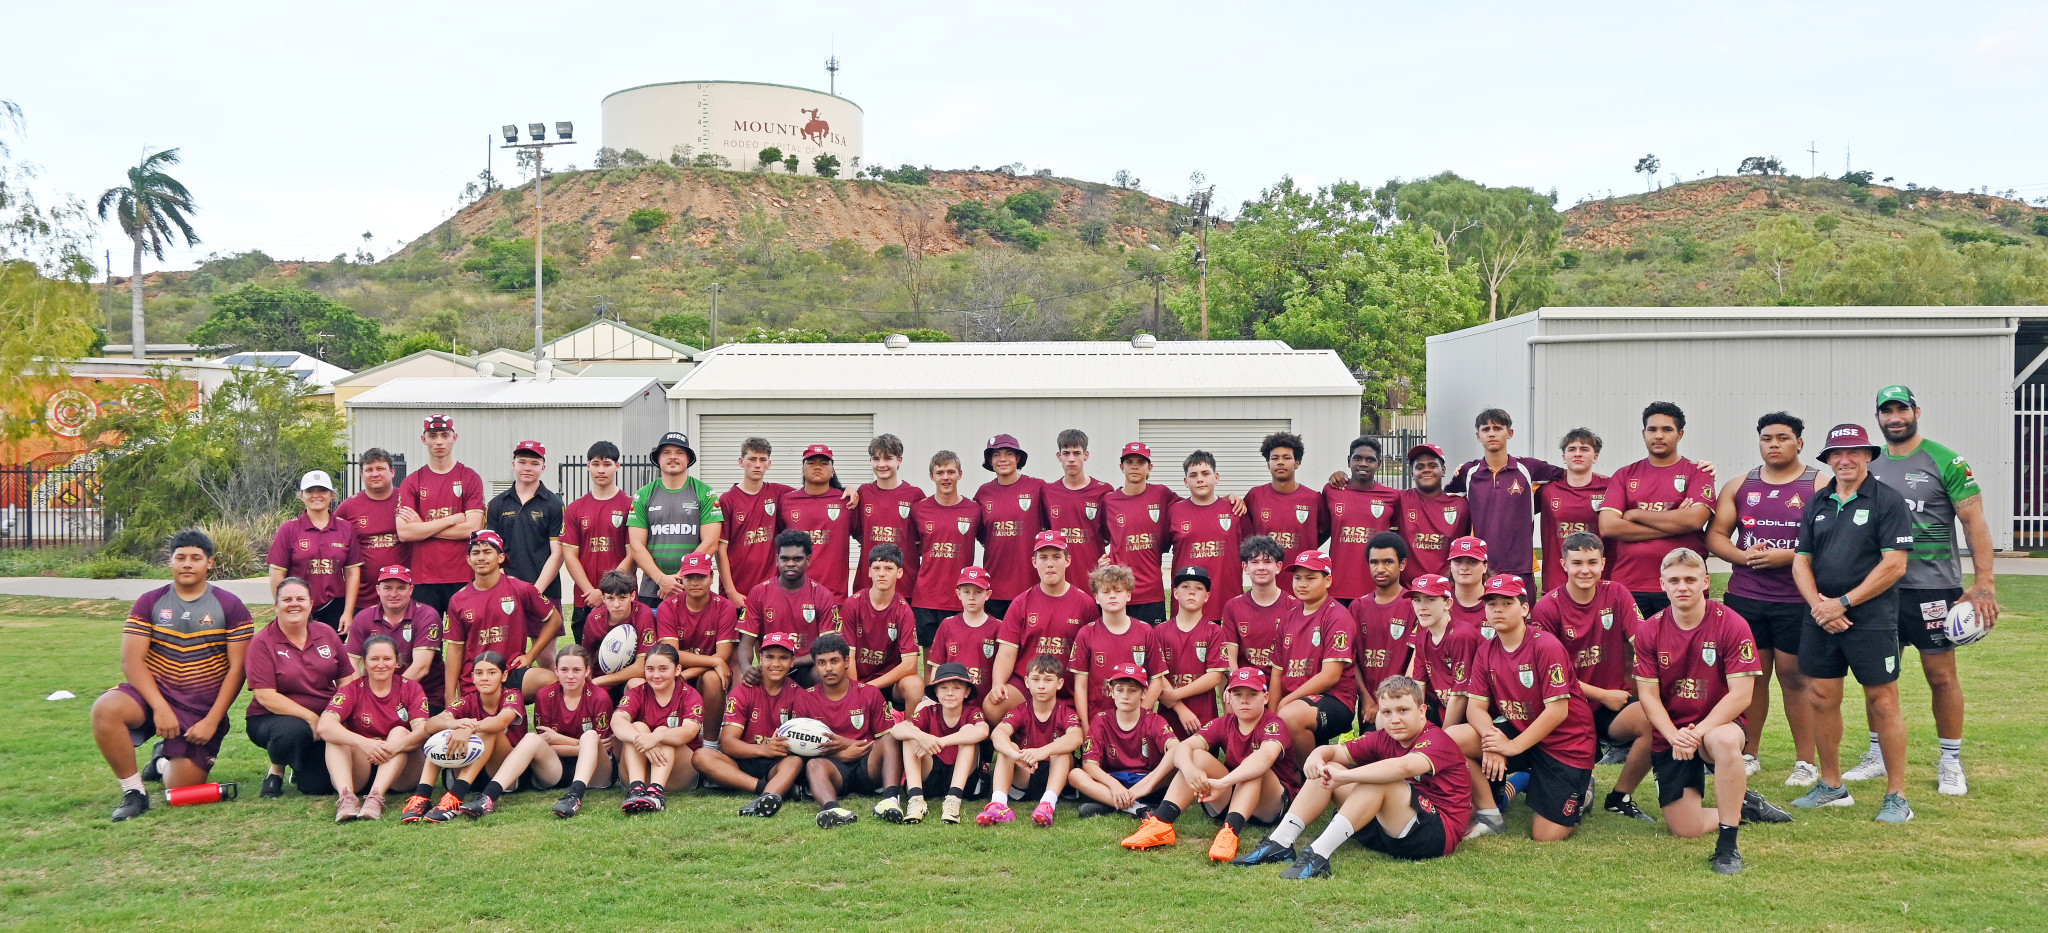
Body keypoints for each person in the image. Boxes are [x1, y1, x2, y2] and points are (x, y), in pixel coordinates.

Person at [1865, 384, 1999, 796]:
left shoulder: (1946, 460)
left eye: (1901, 409)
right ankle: (1876, 755)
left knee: (1940, 675)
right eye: (1886, 411)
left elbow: (1974, 524)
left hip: (1932, 587)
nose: (1895, 418)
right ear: (1878, 418)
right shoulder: (1868, 464)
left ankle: (1951, 760)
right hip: (1881, 588)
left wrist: (1984, 583)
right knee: (1878, 676)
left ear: (1916, 411)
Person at [1635, 548, 1794, 875]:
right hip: (1675, 733)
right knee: (1685, 828)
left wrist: (1698, 731)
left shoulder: (1732, 623)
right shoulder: (1649, 630)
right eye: (1675, 580)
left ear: (1706, 582)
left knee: (1723, 742)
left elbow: (1742, 695)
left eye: (1691, 579)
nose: (1683, 587)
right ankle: (1744, 806)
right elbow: (1648, 697)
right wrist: (1674, 735)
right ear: (1661, 584)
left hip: (1718, 725)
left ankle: (1728, 844)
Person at [1790, 424, 1916, 824]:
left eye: (1854, 452)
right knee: (1821, 698)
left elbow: (1895, 564)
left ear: (1868, 456)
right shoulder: (1818, 500)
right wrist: (1820, 607)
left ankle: (1897, 795)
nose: (1845, 460)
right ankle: (1832, 785)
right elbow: (1801, 560)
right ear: (1827, 459)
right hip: (1821, 616)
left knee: (1882, 702)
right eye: (1836, 453)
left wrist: (1843, 603)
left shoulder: (1887, 500)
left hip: (1872, 619)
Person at [1234, 675, 1474, 876]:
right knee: (1328, 768)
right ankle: (1281, 843)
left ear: (1422, 711)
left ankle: (1318, 854)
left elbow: (1404, 768)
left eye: (1403, 710)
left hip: (1435, 834)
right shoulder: (1384, 736)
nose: (1395, 719)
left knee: (1382, 779)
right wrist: (1316, 756)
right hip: (1390, 826)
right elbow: (1334, 751)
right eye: (1387, 712)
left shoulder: (1437, 739)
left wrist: (1347, 778)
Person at [94, 530, 255, 821]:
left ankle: (161, 762)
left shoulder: (230, 606)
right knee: (106, 708)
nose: (187, 564)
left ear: (210, 563)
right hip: (154, 696)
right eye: (180, 557)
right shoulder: (150, 602)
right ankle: (134, 793)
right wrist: (160, 708)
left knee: (180, 787)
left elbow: (238, 669)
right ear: (170, 562)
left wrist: (212, 720)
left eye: (196, 558)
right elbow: (131, 661)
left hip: (199, 708)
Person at [1708, 413, 1824, 784]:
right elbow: (1716, 536)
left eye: (1783, 438)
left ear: (1799, 443)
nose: (1774, 444)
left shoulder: (1819, 484)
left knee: (1795, 679)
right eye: (1767, 438)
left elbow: (1832, 540)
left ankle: (1805, 761)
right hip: (1747, 598)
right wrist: (1743, 557)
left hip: (1796, 600)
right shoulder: (1740, 485)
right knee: (1751, 680)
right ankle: (1749, 753)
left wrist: (1787, 557)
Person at [1462, 574, 1597, 842]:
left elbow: (1558, 711)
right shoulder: (1486, 650)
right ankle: (1490, 812)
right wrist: (1493, 742)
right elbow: (1474, 708)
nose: (1497, 609)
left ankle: (1585, 790)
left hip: (1566, 744)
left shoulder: (1545, 645)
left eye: (1506, 602)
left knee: (1546, 836)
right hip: (1520, 731)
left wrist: (1512, 747)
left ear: (1524, 609)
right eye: (1491, 603)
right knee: (1454, 739)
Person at [1532, 532, 1655, 822]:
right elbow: (1549, 677)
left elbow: (1643, 641)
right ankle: (1551, 782)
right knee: (1570, 810)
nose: (1584, 570)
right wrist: (1601, 694)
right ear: (1563, 564)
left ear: (1603, 563)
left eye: (1591, 562)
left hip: (1611, 707)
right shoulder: (1547, 607)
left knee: (1655, 720)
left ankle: (1620, 796)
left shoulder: (1617, 593)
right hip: (1567, 708)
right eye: (1577, 563)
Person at [1120, 667, 1291, 860]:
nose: (1244, 700)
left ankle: (1230, 832)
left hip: (1268, 805)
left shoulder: (1274, 724)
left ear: (1266, 697)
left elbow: (1265, 758)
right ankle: (1162, 823)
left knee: (1255, 767)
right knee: (1195, 756)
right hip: (1229, 796)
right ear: (1228, 696)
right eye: (1238, 694)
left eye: (1252, 694)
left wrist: (1222, 783)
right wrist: (1189, 769)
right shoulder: (1224, 722)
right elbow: (1183, 748)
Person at [1600, 402, 1717, 618]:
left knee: (1683, 648)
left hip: (1683, 584)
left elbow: (1694, 520)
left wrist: (1635, 514)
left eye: (1667, 429)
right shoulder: (1625, 474)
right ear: (1643, 433)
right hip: (1630, 583)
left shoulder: (1698, 472)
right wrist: (1675, 522)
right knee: (1629, 649)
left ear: (1680, 434)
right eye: (1652, 429)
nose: (1659, 435)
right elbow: (1608, 526)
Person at [245, 577, 352, 798]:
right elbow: (265, 696)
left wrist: (336, 713)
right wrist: (312, 718)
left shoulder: (326, 633)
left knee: (318, 786)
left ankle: (300, 766)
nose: (294, 604)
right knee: (292, 731)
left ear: (311, 604)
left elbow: (346, 678)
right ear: (276, 606)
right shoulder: (262, 642)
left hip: (325, 714)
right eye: (287, 599)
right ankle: (277, 769)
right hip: (272, 717)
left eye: (301, 599)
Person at [1447, 409, 1566, 592]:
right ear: (1478, 436)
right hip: (1482, 565)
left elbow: (1571, 475)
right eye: (1486, 429)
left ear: (1510, 433)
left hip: (1520, 565)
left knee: (1523, 619)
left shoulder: (1529, 467)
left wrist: (1610, 483)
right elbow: (1443, 500)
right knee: (1484, 619)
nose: (1492, 433)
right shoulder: (1468, 472)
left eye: (1498, 428)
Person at [987, 531, 1099, 721]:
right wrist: (998, 684)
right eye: (1043, 557)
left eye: (1056, 557)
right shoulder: (1021, 602)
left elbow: (1092, 657)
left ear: (1068, 560)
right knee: (992, 707)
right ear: (1034, 562)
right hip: (1029, 682)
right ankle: (1018, 733)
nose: (1050, 563)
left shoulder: (1085, 604)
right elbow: (1006, 652)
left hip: (1066, 685)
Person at [317, 634, 429, 822]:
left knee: (400, 732)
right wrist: (365, 743)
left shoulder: (411, 688)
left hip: (401, 772)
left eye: (387, 659)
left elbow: (422, 731)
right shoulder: (352, 689)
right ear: (364, 663)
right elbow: (324, 726)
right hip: (364, 768)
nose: (381, 664)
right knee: (334, 735)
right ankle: (347, 798)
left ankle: (375, 798)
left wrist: (393, 747)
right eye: (374, 659)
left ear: (397, 662)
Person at [405, 651, 526, 823]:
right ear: (472, 677)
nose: (484, 678)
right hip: (467, 767)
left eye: (492, 672)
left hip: (500, 772)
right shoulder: (467, 700)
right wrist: (454, 724)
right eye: (479, 673)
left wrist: (470, 728)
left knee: (490, 730)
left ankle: (455, 797)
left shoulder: (512, 695)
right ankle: (422, 796)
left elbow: (501, 722)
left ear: (504, 675)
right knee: (441, 734)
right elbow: (430, 724)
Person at [442, 530, 559, 707]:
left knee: (551, 682)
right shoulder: (458, 600)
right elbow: (455, 651)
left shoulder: (520, 588)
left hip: (511, 673)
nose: (481, 557)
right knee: (482, 732)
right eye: (475, 553)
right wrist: (450, 695)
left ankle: (544, 732)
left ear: (501, 557)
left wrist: (530, 655)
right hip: (477, 679)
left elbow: (555, 619)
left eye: (487, 552)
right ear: (468, 560)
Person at [798, 633, 904, 828]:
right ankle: (832, 809)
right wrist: (841, 752)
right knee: (813, 765)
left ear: (847, 661)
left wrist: (848, 744)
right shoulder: (805, 698)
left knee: (891, 739)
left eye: (834, 661)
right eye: (821, 663)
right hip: (833, 767)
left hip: (867, 763)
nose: (828, 668)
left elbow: (886, 739)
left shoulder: (869, 693)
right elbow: (801, 746)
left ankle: (890, 800)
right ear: (815, 665)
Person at [698, 633, 806, 817]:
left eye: (783, 658)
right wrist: (764, 749)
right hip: (742, 761)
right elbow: (728, 743)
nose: (776, 664)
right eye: (770, 657)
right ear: (760, 658)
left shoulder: (799, 694)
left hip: (777, 763)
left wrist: (775, 751)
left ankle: (768, 794)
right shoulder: (743, 690)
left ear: (792, 661)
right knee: (702, 756)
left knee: (794, 762)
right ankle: (767, 791)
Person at [1269, 549, 1360, 764]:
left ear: (1327, 580)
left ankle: (1308, 779)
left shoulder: (1337, 616)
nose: (1302, 583)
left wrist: (1286, 703)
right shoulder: (1288, 618)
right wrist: (1271, 716)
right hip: (1296, 701)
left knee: (1290, 716)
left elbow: (1330, 676)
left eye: (1311, 578)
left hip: (1334, 699)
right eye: (1298, 578)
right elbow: (1276, 673)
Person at [511, 645, 617, 819]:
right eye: (564, 669)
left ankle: (575, 796)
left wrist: (560, 738)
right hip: (556, 766)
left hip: (596, 773)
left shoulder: (600, 697)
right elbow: (545, 743)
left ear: (587, 671)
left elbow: (602, 749)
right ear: (556, 670)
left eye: (576, 670)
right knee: (534, 739)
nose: (570, 676)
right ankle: (490, 794)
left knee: (589, 736)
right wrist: (582, 746)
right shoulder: (545, 695)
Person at [395, 413, 485, 614]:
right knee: (427, 643)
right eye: (433, 435)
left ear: (455, 437)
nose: (439, 441)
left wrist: (423, 526)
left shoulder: (470, 477)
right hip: (424, 578)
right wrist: (453, 518)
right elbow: (405, 533)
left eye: (445, 435)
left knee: (463, 642)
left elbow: (472, 528)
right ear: (423, 439)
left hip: (463, 574)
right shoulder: (412, 481)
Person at [486, 440, 564, 668]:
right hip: (505, 591)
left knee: (547, 658)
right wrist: (505, 586)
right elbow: (492, 552)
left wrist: (533, 591)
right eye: (522, 462)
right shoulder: (497, 504)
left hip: (544, 590)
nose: (527, 467)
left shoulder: (554, 504)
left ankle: (549, 703)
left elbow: (557, 554)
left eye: (534, 462)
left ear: (543, 467)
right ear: (513, 464)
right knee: (502, 656)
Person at [980, 654, 1083, 827]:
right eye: (1036, 679)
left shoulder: (1066, 712)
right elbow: (997, 734)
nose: (1041, 686)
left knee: (1062, 752)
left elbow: (1076, 736)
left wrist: (1042, 751)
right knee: (1008, 747)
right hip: (1026, 772)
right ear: (1027, 682)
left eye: (1048, 680)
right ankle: (999, 804)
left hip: (1056, 774)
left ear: (1059, 684)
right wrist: (1015, 754)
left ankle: (1047, 804)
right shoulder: (1021, 710)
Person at [735, 530, 844, 688]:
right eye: (785, 558)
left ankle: (818, 712)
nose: (790, 563)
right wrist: (746, 667)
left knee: (823, 673)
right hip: (771, 667)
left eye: (797, 559)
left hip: (805, 666)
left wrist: (788, 663)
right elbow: (746, 642)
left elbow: (827, 648)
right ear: (777, 560)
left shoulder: (823, 595)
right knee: (745, 683)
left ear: (808, 560)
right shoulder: (759, 593)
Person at [628, 430, 725, 608]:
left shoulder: (705, 492)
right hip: (653, 589)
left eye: (679, 452)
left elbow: (711, 543)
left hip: (694, 586)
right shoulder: (642, 495)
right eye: (666, 452)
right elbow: (636, 546)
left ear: (688, 459)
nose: (673, 457)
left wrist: (680, 578)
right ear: (658, 459)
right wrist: (661, 579)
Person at [1073, 663, 1181, 821]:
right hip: (1114, 781)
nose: (1125, 695)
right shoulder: (1101, 719)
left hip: (1149, 783)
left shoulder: (1154, 720)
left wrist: (1147, 785)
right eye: (1120, 689)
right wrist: (1114, 785)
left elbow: (1175, 748)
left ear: (1144, 693)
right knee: (1075, 775)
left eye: (1132, 690)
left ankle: (1109, 804)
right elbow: (1089, 764)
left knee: (1176, 767)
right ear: (1111, 692)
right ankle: (1138, 808)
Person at [890, 661, 991, 824]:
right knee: (910, 735)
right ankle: (916, 799)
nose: (950, 693)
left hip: (964, 780)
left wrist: (940, 741)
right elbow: (896, 730)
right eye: (944, 688)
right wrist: (921, 737)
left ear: (967, 692)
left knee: (968, 732)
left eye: (957, 688)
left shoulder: (972, 712)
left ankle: (953, 800)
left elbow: (982, 731)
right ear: (936, 692)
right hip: (932, 775)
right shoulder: (929, 711)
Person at [611, 643, 704, 814]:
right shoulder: (639, 692)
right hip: (637, 769)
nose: (655, 675)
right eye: (650, 669)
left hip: (678, 773)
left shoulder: (689, 695)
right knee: (637, 728)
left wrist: (657, 738)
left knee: (663, 731)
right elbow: (617, 721)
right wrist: (639, 738)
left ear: (677, 670)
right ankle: (636, 790)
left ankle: (656, 793)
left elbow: (690, 731)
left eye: (663, 669)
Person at [1068, 564, 1164, 727]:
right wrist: (1086, 728)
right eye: (1106, 592)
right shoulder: (1086, 634)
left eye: (1118, 591)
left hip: (1137, 725)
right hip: (1097, 724)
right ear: (1097, 597)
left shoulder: (1146, 631)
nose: (1112, 596)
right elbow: (1081, 686)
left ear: (1128, 595)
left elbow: (1157, 681)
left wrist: (1138, 716)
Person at [268, 470, 363, 629]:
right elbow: (277, 574)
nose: (316, 495)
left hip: (335, 608)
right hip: (298, 605)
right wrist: (282, 608)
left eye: (323, 490)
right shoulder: (289, 529)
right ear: (302, 495)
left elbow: (352, 573)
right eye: (310, 491)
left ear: (332, 495)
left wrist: (348, 612)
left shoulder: (345, 528)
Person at [561, 441, 635, 645]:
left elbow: (633, 553)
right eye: (595, 464)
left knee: (622, 659)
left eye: (607, 464)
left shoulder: (630, 505)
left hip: (621, 598)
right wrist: (592, 593)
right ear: (588, 466)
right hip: (585, 599)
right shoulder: (575, 508)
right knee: (586, 661)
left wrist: (607, 592)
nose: (601, 470)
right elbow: (570, 555)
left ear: (617, 466)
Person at [1101, 441, 1182, 626]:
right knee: (1119, 648)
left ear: (1150, 467)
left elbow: (1193, 505)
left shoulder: (1161, 493)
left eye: (1141, 461)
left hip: (1151, 592)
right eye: (1129, 462)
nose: (1135, 466)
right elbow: (1107, 536)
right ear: (1121, 467)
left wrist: (1225, 499)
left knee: (1151, 649)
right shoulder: (1109, 500)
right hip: (1118, 589)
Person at [908, 450, 982, 647]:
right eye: (940, 472)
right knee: (930, 656)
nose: (945, 477)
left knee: (959, 655)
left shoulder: (974, 509)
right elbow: (913, 548)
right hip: (926, 598)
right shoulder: (919, 510)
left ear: (960, 474)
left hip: (960, 597)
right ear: (932, 476)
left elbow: (986, 540)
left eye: (951, 471)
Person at [346, 565, 443, 711]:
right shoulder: (363, 617)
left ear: (411, 590)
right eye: (388, 588)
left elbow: (421, 668)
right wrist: (362, 696)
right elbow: (351, 662)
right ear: (378, 590)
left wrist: (390, 698)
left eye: (401, 588)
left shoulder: (427, 615)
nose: (394, 594)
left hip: (426, 696)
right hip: (375, 696)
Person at [974, 433, 1050, 619]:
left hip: (1031, 584)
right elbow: (982, 535)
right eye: (996, 454)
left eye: (1008, 453)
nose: (1002, 459)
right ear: (990, 461)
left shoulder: (1038, 487)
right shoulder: (984, 493)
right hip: (995, 587)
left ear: (1018, 458)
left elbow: (1053, 526)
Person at [839, 544, 924, 710]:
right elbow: (848, 655)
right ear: (869, 572)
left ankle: (907, 734)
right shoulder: (852, 604)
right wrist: (858, 690)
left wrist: (870, 687)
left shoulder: (903, 610)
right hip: (855, 680)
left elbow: (910, 665)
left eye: (888, 568)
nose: (882, 573)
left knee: (915, 685)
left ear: (899, 573)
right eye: (876, 568)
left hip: (888, 682)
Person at [1150, 566, 1229, 740]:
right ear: (1176, 593)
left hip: (1203, 718)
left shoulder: (1215, 632)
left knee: (1199, 762)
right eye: (1185, 587)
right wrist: (1180, 708)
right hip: (1168, 716)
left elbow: (1214, 677)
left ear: (1207, 596)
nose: (1191, 592)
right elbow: (1157, 675)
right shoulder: (1159, 632)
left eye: (1198, 588)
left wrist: (1175, 695)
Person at [652, 556, 736, 717]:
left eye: (701, 577)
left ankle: (710, 741)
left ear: (712, 577)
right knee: (663, 675)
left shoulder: (725, 606)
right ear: (681, 578)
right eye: (689, 577)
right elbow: (671, 654)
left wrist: (689, 673)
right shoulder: (668, 606)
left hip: (704, 672)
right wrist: (714, 661)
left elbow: (723, 655)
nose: (695, 582)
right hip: (676, 669)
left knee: (713, 679)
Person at [1351, 533, 1420, 729]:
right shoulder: (1357, 607)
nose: (1380, 569)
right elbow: (1351, 659)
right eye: (1374, 562)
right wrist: (1366, 699)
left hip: (1403, 706)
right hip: (1369, 707)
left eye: (1388, 562)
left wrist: (1394, 704)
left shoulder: (1413, 605)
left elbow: (1418, 660)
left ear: (1402, 564)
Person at [1324, 436, 1403, 604]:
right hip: (1339, 586)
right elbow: (1321, 528)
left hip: (1377, 587)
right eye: (1358, 458)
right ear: (1349, 461)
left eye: (1370, 460)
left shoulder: (1392, 497)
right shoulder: (1332, 491)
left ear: (1379, 464)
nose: (1363, 463)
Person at [717, 437, 795, 608]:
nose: (757, 464)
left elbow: (814, 492)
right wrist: (731, 592)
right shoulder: (727, 500)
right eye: (752, 459)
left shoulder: (779, 492)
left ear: (769, 463)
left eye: (762, 460)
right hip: (737, 594)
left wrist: (845, 489)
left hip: (771, 593)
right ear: (741, 462)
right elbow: (720, 550)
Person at [1167, 451, 1243, 619]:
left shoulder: (1235, 510)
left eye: (1205, 473)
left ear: (1216, 477)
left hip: (1226, 601)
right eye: (1193, 475)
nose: (1200, 479)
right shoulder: (1174, 511)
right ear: (1186, 482)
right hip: (1188, 603)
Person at [1537, 428, 1611, 593]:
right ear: (1564, 458)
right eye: (1572, 449)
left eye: (1584, 449)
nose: (1578, 454)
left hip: (1597, 579)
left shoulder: (1611, 488)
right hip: (1556, 581)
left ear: (1595, 457)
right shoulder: (1547, 491)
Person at [854, 433, 926, 600]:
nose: (881, 464)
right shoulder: (863, 493)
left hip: (905, 585)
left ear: (899, 460)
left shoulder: (915, 495)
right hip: (868, 584)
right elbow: (858, 532)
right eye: (876, 459)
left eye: (888, 458)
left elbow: (923, 540)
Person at [780, 444, 858, 596]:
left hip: (834, 595)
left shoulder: (846, 501)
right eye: (811, 463)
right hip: (793, 592)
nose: (817, 467)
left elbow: (864, 537)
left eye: (824, 463)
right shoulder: (786, 500)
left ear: (832, 471)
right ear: (803, 470)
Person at [335, 448, 407, 613]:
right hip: (363, 598)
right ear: (361, 474)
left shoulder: (406, 499)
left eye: (380, 468)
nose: (375, 474)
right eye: (369, 470)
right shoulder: (348, 507)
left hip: (402, 595)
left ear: (392, 472)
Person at [1045, 429, 1113, 592]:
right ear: (1059, 456)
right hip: (1059, 580)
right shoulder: (1048, 492)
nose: (1071, 459)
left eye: (1076, 453)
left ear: (1086, 455)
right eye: (1066, 453)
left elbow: (1111, 535)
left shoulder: (1103, 491)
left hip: (1093, 579)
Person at [1409, 574, 1479, 729]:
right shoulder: (1423, 637)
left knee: (1446, 740)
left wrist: (1443, 737)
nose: (1422, 606)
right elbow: (1418, 687)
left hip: (1472, 716)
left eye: (1430, 599)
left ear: (1447, 603)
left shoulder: (1461, 636)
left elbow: (1460, 695)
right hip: (1443, 707)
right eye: (1417, 599)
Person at [1222, 536, 1298, 674]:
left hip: (1282, 682)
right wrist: (1236, 684)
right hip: (1246, 684)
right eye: (1255, 562)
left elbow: (1295, 657)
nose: (1261, 567)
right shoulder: (1233, 606)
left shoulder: (1295, 606)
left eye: (1268, 562)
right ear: (1245, 567)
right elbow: (1229, 658)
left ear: (1278, 567)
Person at [1245, 431, 1324, 564]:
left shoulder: (1313, 498)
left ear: (1297, 463)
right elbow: (1242, 529)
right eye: (1275, 458)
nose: (1280, 462)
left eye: (1286, 458)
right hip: (1266, 576)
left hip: (1301, 576)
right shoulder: (1255, 495)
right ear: (1268, 464)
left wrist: (1308, 543)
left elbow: (1326, 529)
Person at [1396, 444, 1470, 584]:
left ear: (1443, 470)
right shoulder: (1399, 499)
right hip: (1410, 591)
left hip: (1447, 591)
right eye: (1420, 467)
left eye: (1432, 465)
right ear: (1412, 473)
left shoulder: (1461, 504)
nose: (1426, 470)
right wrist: (1342, 479)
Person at [582, 569, 660, 698]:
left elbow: (642, 667)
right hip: (601, 678)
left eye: (622, 598)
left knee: (637, 685)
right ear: (603, 598)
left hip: (628, 678)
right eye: (610, 598)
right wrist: (589, 682)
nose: (616, 604)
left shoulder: (643, 614)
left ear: (633, 596)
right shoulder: (594, 619)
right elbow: (586, 658)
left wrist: (599, 681)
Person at [927, 566, 1003, 692]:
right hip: (953, 698)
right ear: (958, 593)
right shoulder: (947, 625)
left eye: (978, 592)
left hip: (987, 699)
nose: (972, 597)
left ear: (988, 594)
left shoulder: (999, 627)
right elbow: (937, 667)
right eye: (967, 592)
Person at [1444, 536, 1492, 635]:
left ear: (1485, 567)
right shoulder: (1439, 601)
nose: (1464, 567)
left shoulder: (1498, 600)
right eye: (1458, 561)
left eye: (1472, 561)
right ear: (1450, 567)